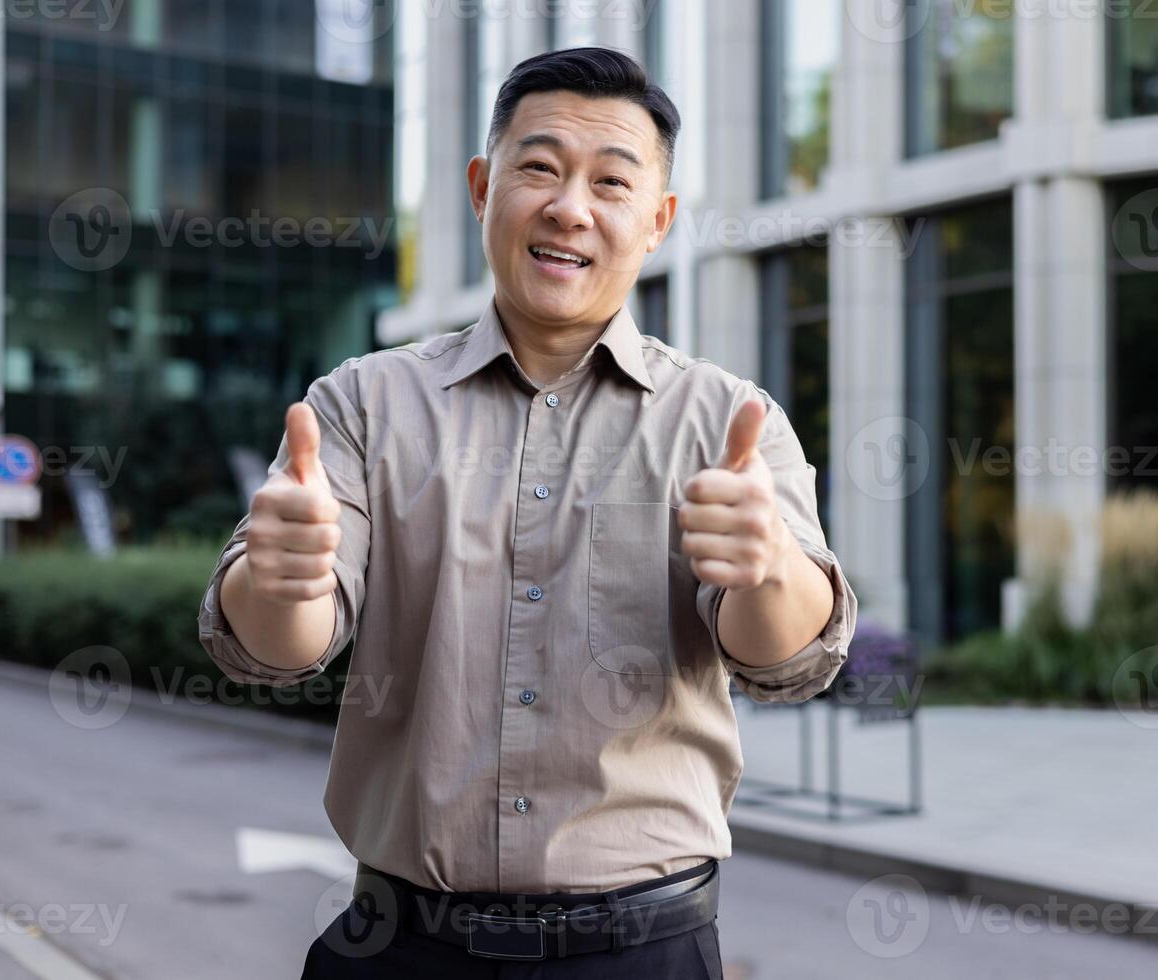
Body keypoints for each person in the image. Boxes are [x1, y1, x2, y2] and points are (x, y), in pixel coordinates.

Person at [196, 45, 857, 978]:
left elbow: (786, 659)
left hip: (642, 953)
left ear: (658, 220)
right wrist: (278, 576)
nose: (569, 208)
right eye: (539, 168)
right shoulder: (360, 404)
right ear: (481, 187)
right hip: (400, 949)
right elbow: (279, 645)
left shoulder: (726, 421)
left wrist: (771, 566)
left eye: (611, 182)